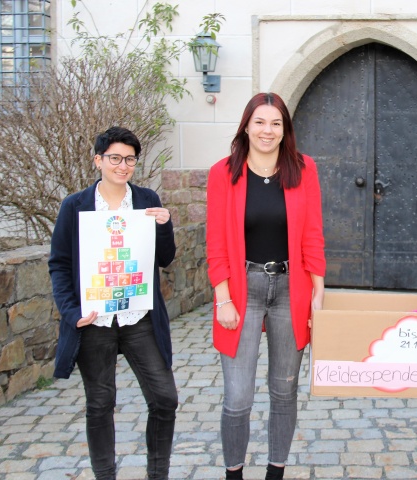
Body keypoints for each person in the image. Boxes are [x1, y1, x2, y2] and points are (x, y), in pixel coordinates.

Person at [206, 92, 326, 480]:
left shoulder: (303, 169)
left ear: (285, 130)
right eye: (260, 122)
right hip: (244, 288)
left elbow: (312, 235)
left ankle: (276, 472)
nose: (267, 130)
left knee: (283, 391)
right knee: (238, 397)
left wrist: (317, 293)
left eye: (276, 123)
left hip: (292, 288)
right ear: (246, 125)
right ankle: (234, 474)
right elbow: (216, 243)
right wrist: (222, 297)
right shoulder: (223, 173)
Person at [48, 127, 178, 480]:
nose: (123, 166)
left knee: (165, 398)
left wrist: (165, 226)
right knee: (101, 404)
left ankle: (157, 474)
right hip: (96, 320)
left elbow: (164, 258)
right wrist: (72, 313)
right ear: (98, 160)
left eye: (130, 159)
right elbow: (59, 263)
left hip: (138, 318)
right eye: (115, 158)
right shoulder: (75, 206)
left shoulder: (148, 199)